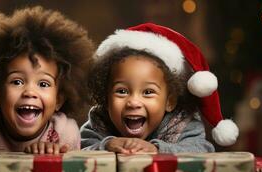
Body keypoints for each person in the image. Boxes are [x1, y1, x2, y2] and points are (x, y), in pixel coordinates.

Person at [0, 6, 94, 158]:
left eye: (43, 84)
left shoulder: (65, 131)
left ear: (59, 99)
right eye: (17, 82)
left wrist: (52, 155)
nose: (29, 92)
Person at [81, 23, 239, 153]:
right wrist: (106, 145)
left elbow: (202, 149)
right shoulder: (100, 120)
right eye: (122, 91)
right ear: (106, 97)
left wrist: (157, 149)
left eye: (148, 92)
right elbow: (80, 147)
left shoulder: (182, 121)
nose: (134, 102)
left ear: (170, 101)